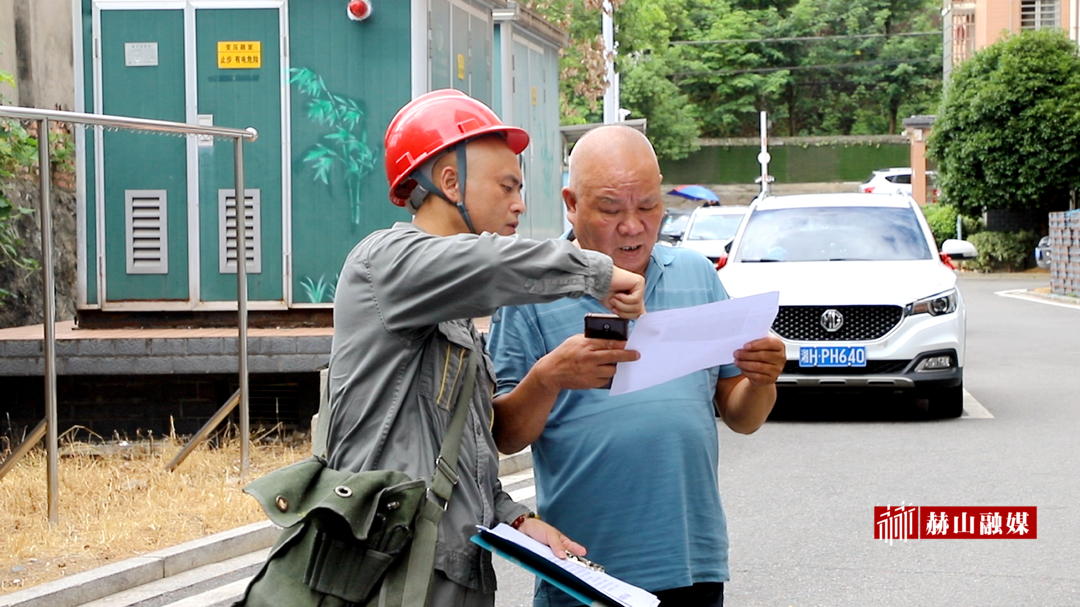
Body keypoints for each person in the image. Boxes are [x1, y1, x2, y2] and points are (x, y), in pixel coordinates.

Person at [323, 90, 647, 607]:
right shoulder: (384, 263)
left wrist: (515, 517)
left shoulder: (451, 313)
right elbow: (492, 264)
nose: (520, 203)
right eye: (507, 186)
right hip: (387, 579)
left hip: (450, 577)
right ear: (450, 183)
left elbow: (460, 459)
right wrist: (595, 272)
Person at [487, 125, 786, 607]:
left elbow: (741, 416)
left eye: (648, 205)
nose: (632, 225)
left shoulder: (697, 275)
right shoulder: (530, 294)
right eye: (610, 209)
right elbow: (504, 435)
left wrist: (762, 379)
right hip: (584, 572)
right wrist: (549, 376)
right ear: (572, 203)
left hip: (694, 564)